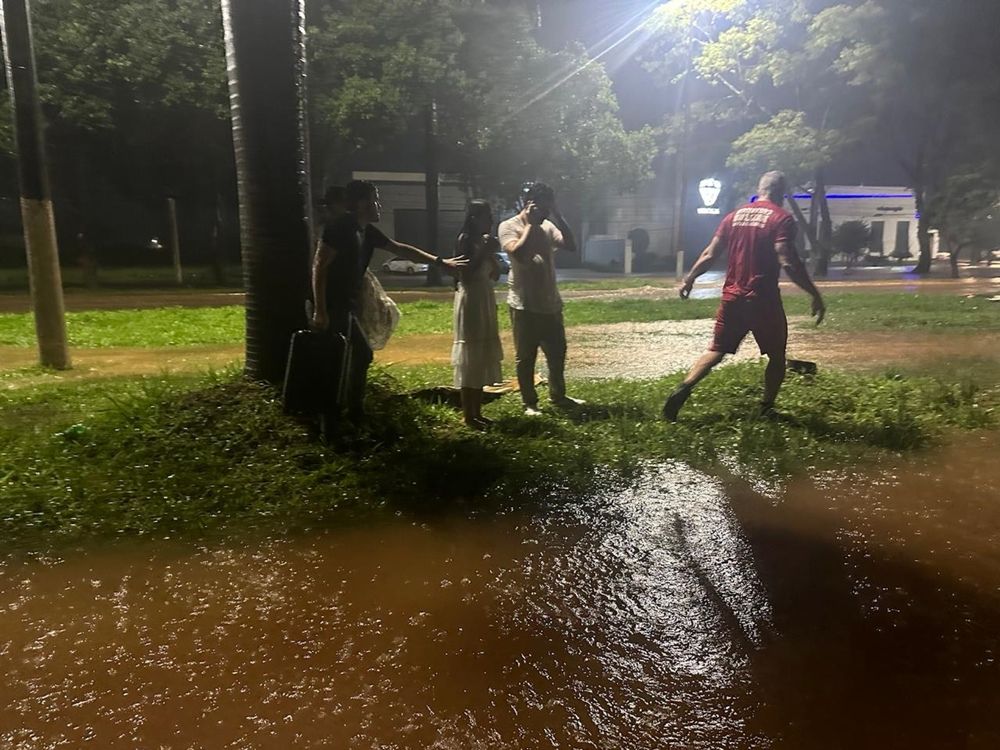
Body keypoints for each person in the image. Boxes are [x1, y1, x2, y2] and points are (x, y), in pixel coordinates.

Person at [662, 170, 826, 421]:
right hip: (763, 300)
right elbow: (787, 260)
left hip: (732, 297)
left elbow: (709, 254)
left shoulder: (733, 217)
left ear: (759, 190)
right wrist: (814, 293)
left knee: (716, 349)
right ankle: (766, 408)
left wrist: (689, 279)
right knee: (777, 356)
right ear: (781, 193)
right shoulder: (782, 219)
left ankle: (684, 388)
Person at [311, 179, 466, 427]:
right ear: (361, 203)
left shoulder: (366, 231)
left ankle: (350, 413)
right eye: (374, 199)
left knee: (358, 356)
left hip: (347, 304)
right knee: (346, 358)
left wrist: (440, 262)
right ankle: (331, 419)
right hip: (332, 305)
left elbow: (400, 249)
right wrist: (320, 309)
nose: (378, 205)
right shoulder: (339, 228)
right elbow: (320, 267)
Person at [498, 182, 583, 416]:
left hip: (550, 302)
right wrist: (531, 226)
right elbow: (517, 253)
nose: (545, 213)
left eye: (548, 209)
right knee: (526, 357)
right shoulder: (508, 226)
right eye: (543, 208)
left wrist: (557, 214)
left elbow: (572, 246)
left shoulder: (548, 225)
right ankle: (530, 403)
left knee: (557, 353)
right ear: (529, 204)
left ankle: (559, 395)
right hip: (523, 303)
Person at [452, 200, 504, 429]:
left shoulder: (482, 242)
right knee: (471, 355)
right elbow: (466, 275)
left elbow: (495, 275)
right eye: (487, 217)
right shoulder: (465, 241)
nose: (491, 222)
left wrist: (491, 255)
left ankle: (477, 411)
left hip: (484, 298)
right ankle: (468, 415)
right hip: (471, 300)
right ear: (474, 219)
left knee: (481, 355)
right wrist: (483, 251)